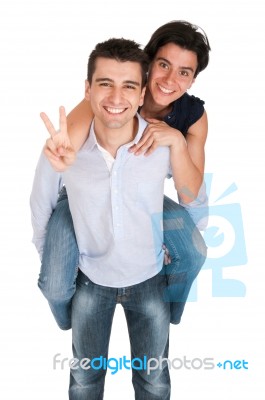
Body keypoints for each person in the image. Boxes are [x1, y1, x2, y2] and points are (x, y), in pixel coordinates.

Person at [34, 20, 210, 331]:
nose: (170, 80)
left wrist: (177, 142)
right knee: (55, 284)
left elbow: (192, 195)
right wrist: (65, 157)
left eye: (184, 73)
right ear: (148, 62)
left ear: (193, 80)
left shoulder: (192, 117)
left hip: (142, 196)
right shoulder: (113, 96)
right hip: (83, 193)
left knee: (194, 253)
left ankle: (168, 312)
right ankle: (68, 322)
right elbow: (61, 153)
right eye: (164, 65)